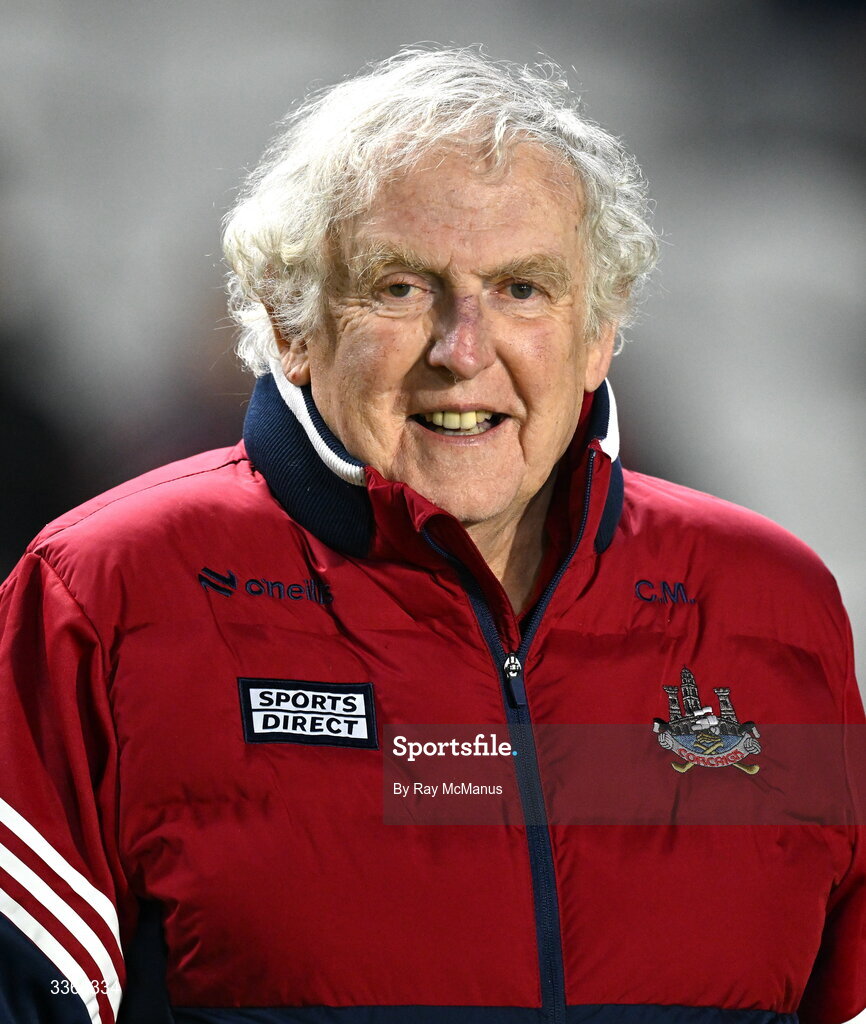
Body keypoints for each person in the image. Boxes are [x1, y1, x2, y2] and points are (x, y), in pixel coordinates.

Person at [0, 46, 863, 1024]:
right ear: (290, 322)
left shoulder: (770, 602)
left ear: (599, 331)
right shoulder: (102, 593)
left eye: (522, 289)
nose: (463, 350)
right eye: (401, 287)